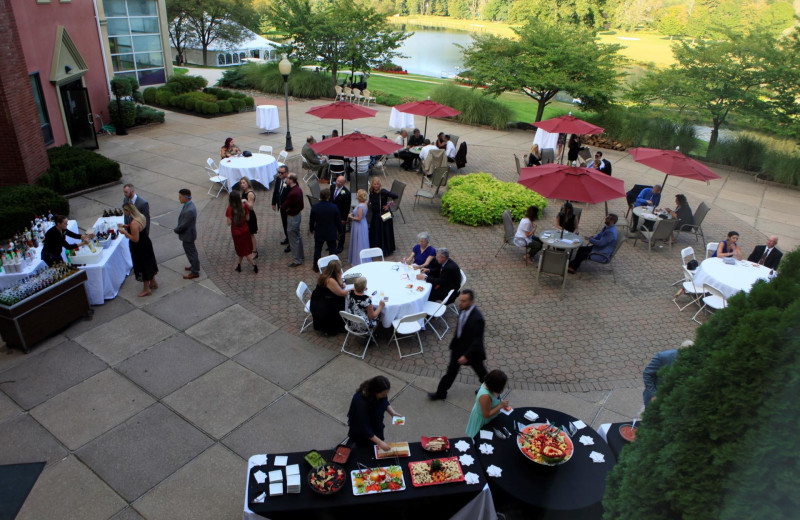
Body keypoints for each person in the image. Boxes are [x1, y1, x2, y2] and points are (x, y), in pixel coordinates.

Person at [429, 289, 488, 400]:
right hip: (458, 348)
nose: (460, 303)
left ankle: (489, 389)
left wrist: (466, 356)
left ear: (471, 302)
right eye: (460, 300)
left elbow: (477, 341)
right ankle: (440, 393)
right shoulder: (462, 310)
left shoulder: (478, 319)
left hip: (473, 352)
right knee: (451, 372)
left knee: (481, 372)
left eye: (464, 301)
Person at [347, 376, 402, 451]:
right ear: (374, 391)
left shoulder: (380, 394)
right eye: (383, 394)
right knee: (363, 450)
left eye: (386, 393)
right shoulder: (361, 403)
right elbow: (364, 427)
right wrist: (380, 442)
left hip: (375, 425)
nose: (385, 396)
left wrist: (392, 413)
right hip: (362, 432)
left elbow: (384, 402)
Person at [120, 203, 159, 297]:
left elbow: (135, 239)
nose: (124, 213)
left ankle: (146, 289)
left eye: (125, 211)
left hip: (139, 248)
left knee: (142, 266)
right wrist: (127, 227)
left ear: (128, 211)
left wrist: (125, 232)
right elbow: (139, 229)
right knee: (149, 262)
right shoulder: (141, 217)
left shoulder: (134, 223)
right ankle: (153, 282)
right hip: (146, 243)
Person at [643, 340, 693, 407]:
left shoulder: (693, 360)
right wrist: (653, 395)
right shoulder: (663, 357)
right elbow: (647, 374)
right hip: (657, 398)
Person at [466, 370, 509, 438]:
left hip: (491, 417)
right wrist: (500, 406)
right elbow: (486, 414)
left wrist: (499, 401)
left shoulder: (490, 385)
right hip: (483, 421)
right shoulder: (485, 396)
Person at [310, 259, 347, 335]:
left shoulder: (327, 274)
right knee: (342, 301)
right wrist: (354, 289)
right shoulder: (330, 280)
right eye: (339, 270)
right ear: (336, 271)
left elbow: (341, 285)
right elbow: (341, 293)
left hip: (324, 297)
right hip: (323, 303)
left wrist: (339, 279)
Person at [309, 188, 343, 272]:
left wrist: (311, 229)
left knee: (317, 250)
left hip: (319, 232)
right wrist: (340, 230)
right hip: (331, 232)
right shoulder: (334, 207)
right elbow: (338, 221)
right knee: (332, 250)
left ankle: (316, 267)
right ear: (329, 196)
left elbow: (311, 220)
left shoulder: (315, 207)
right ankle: (333, 268)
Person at [226, 191, 258, 273]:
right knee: (244, 248)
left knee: (243, 250)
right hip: (245, 229)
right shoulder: (243, 206)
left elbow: (229, 223)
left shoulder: (230, 209)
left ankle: (254, 265)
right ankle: (238, 265)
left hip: (236, 232)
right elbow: (247, 218)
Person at [367, 177, 398, 256]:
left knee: (384, 232)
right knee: (376, 232)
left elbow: (395, 196)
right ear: (372, 185)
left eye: (377, 184)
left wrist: (388, 205)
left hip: (383, 215)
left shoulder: (383, 191)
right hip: (375, 215)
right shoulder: (371, 192)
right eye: (374, 184)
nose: (376, 186)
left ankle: (386, 249)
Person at [174, 189, 199, 279]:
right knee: (191, 252)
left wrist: (176, 230)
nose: (179, 198)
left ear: (185, 197)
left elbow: (184, 225)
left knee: (192, 253)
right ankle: (193, 266)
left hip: (188, 235)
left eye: (180, 197)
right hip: (188, 235)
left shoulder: (190, 210)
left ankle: (195, 271)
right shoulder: (188, 205)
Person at [282, 173, 304, 268]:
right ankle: (301, 255)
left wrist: (286, 209)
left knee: (293, 239)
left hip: (293, 217)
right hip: (297, 215)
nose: (286, 179)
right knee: (297, 236)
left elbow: (284, 205)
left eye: (287, 178)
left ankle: (297, 259)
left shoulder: (293, 193)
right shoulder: (298, 189)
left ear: (291, 180)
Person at [348, 190, 370, 266]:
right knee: (362, 241)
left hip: (359, 225)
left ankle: (358, 260)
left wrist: (351, 217)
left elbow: (359, 218)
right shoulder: (365, 204)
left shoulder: (360, 206)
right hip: (363, 223)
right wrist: (353, 213)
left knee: (359, 241)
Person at [271, 165, 291, 252]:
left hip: (288, 208)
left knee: (289, 225)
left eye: (281, 173)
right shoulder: (278, 179)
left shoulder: (290, 182)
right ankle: (287, 237)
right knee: (284, 224)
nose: (279, 174)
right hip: (281, 207)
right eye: (278, 172)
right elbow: (276, 191)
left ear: (287, 173)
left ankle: (291, 243)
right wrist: (273, 203)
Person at [239, 177, 259, 258]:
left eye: (244, 183)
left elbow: (251, 207)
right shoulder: (244, 192)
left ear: (248, 183)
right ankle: (249, 248)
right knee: (247, 233)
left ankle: (254, 251)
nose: (242, 185)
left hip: (250, 215)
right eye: (241, 183)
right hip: (245, 214)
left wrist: (245, 201)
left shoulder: (250, 194)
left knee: (251, 234)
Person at [332, 175, 350, 253]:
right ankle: (332, 243)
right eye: (337, 181)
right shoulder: (332, 187)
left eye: (340, 182)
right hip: (332, 213)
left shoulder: (346, 193)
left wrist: (344, 218)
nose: (338, 183)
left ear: (343, 183)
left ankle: (340, 246)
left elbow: (346, 207)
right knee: (332, 229)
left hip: (340, 214)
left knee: (341, 231)